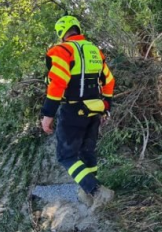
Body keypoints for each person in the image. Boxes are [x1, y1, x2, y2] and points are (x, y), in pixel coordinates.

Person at [40, 15, 115, 210]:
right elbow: (109, 81)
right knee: (87, 152)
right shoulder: (95, 51)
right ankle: (87, 194)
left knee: (66, 156)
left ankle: (97, 191)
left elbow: (58, 84)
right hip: (95, 110)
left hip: (73, 110)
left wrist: (47, 115)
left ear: (61, 33)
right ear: (77, 29)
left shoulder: (61, 51)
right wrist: (106, 107)